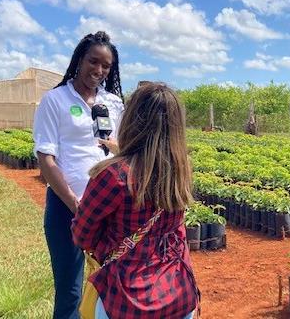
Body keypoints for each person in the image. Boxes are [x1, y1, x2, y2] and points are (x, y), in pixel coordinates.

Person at [71, 82, 200, 319]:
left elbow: (82, 235)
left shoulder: (113, 175)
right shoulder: (181, 171)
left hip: (126, 297)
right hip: (177, 291)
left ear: (131, 120)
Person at [33, 31, 124, 319]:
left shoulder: (113, 103)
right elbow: (45, 159)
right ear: (79, 60)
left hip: (109, 206)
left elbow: (122, 151)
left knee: (114, 284)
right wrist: (76, 204)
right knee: (70, 290)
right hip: (66, 207)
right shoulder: (55, 100)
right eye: (93, 61)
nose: (98, 70)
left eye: (106, 66)